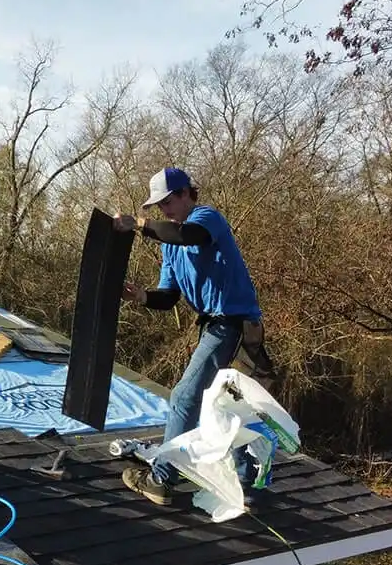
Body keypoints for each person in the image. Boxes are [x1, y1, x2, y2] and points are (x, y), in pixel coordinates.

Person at [113, 167, 274, 505]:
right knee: (225, 404)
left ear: (186, 193)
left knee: (185, 398)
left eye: (167, 202)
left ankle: (161, 479)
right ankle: (246, 484)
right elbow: (168, 296)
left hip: (233, 324)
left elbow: (188, 235)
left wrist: (139, 224)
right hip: (215, 325)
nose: (164, 210)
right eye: (158, 206)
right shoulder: (170, 246)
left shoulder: (207, 219)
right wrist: (141, 296)